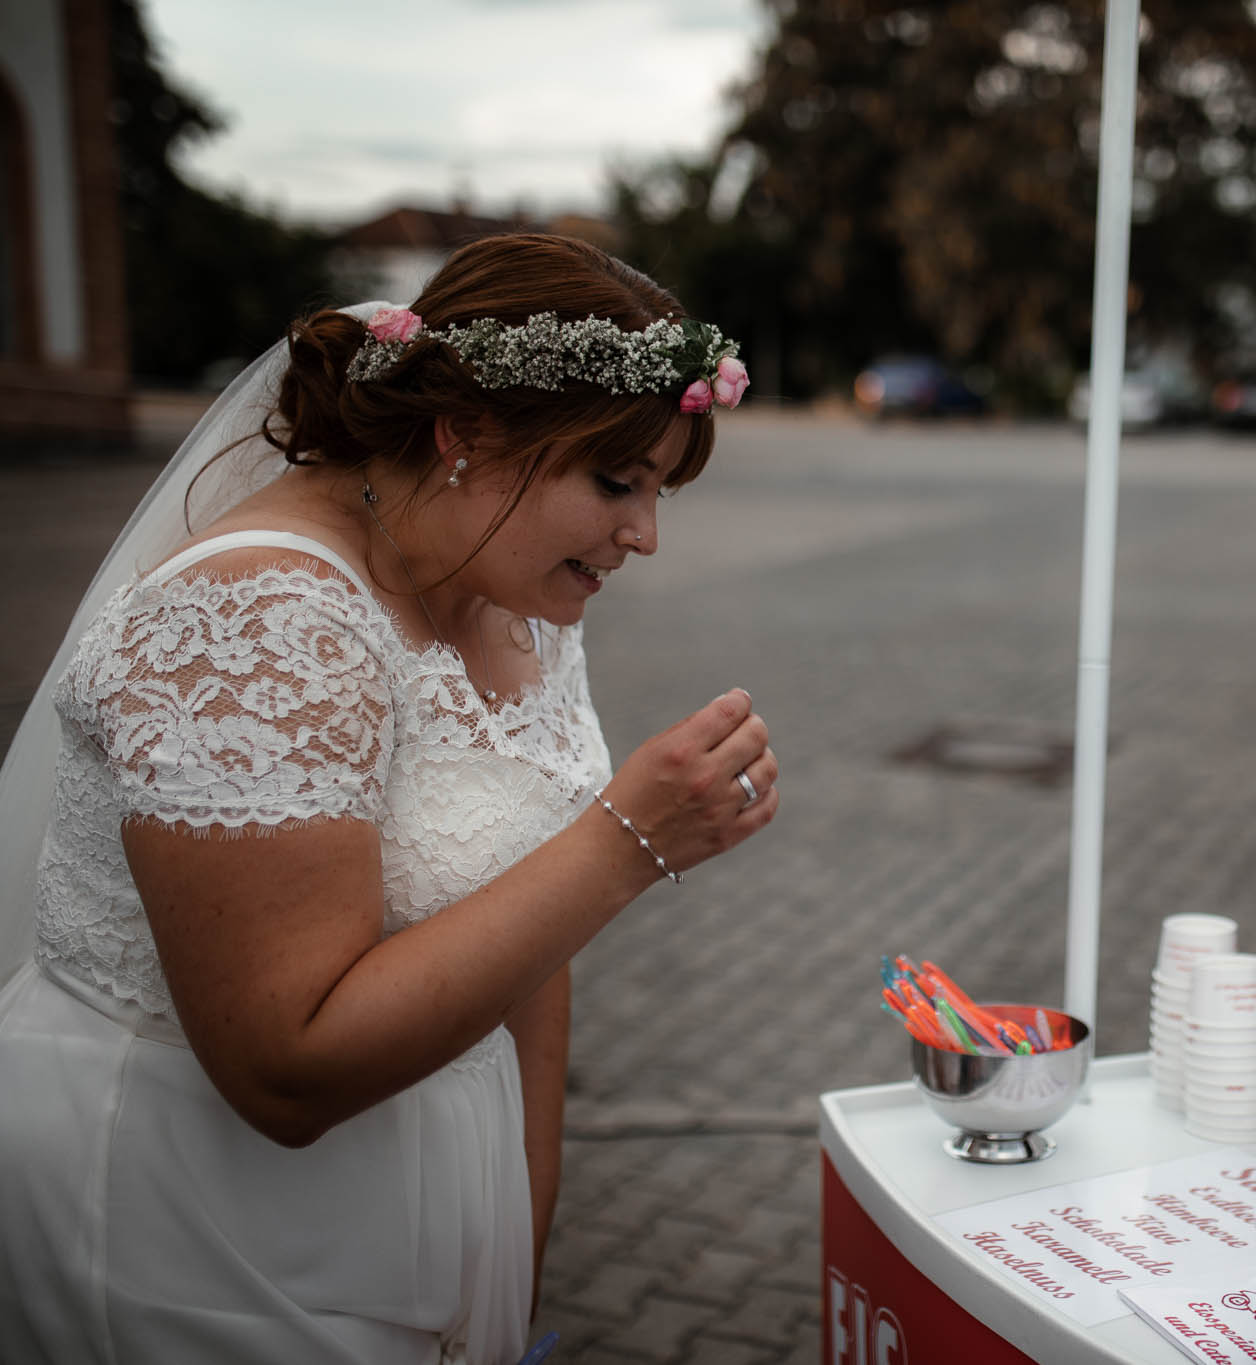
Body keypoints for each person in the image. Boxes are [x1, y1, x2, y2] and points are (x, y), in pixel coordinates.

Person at [0, 232, 777, 1364]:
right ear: (464, 434)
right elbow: (284, 1068)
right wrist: (626, 845)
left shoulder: (513, 590)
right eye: (616, 482)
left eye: (658, 489)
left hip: (436, 1193)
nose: (644, 536)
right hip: (195, 1207)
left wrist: (520, 1220)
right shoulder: (257, 623)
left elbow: (527, 932)